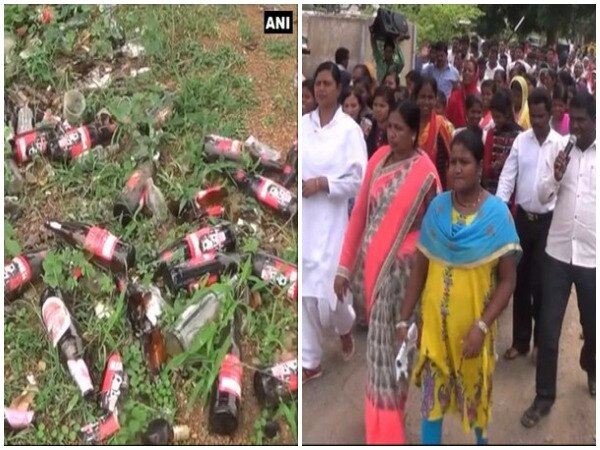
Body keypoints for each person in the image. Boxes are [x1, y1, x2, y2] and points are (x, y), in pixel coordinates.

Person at [397, 128, 521, 444]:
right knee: (431, 411)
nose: (455, 168)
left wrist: (481, 326)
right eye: (452, 161)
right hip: (434, 335)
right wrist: (404, 316)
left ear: (480, 167)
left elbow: (508, 282)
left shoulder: (498, 215)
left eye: (464, 162)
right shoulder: (437, 209)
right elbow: (419, 269)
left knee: (477, 412)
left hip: (473, 337)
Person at [334, 100, 441, 444]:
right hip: (374, 274)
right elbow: (359, 216)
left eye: (399, 129)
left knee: (392, 354)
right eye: (389, 127)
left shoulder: (425, 175)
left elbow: (434, 232)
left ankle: (387, 434)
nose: (391, 134)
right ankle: (381, 426)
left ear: (414, 133)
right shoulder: (378, 159)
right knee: (379, 356)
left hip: (404, 281)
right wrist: (344, 267)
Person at [521, 91, 596, 427]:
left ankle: (592, 366)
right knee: (548, 330)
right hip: (557, 253)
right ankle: (544, 397)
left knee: (594, 330)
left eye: (581, 121)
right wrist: (555, 174)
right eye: (572, 120)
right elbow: (540, 194)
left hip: (592, 258)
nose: (574, 127)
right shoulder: (559, 150)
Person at [302, 62, 368, 382]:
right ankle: (310, 360)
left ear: (339, 88)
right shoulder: (302, 124)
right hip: (305, 218)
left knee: (331, 291)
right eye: (318, 83)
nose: (321, 88)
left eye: (327, 83)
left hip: (331, 221)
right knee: (304, 291)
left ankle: (344, 326)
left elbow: (358, 179)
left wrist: (323, 184)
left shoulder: (349, 131)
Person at [496, 88, 563, 362]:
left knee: (541, 285)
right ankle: (520, 341)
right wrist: (500, 208)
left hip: (548, 223)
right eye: (532, 116)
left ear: (549, 114)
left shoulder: (560, 144)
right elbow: (508, 176)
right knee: (519, 281)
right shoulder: (521, 142)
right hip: (522, 221)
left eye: (541, 116)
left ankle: (539, 343)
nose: (535, 121)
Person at [413, 76, 454, 189]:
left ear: (435, 99)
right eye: (422, 97)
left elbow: (452, 159)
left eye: (430, 97)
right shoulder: (409, 124)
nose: (426, 101)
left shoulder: (443, 125)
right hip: (412, 185)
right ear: (415, 98)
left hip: (437, 187)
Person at [482, 88, 522, 195]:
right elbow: (485, 169)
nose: (495, 120)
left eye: (498, 117)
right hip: (493, 192)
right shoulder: (492, 134)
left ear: (508, 113)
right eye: (493, 116)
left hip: (514, 194)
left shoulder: (520, 136)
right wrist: (495, 167)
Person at [446, 58, 480, 128]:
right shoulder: (455, 95)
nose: (466, 73)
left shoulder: (479, 96)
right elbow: (448, 119)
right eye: (464, 70)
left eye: (470, 71)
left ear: (475, 74)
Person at [366, 86, 396, 159]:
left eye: (382, 106)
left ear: (390, 107)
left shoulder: (394, 131)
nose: (378, 109)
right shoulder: (368, 127)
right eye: (375, 105)